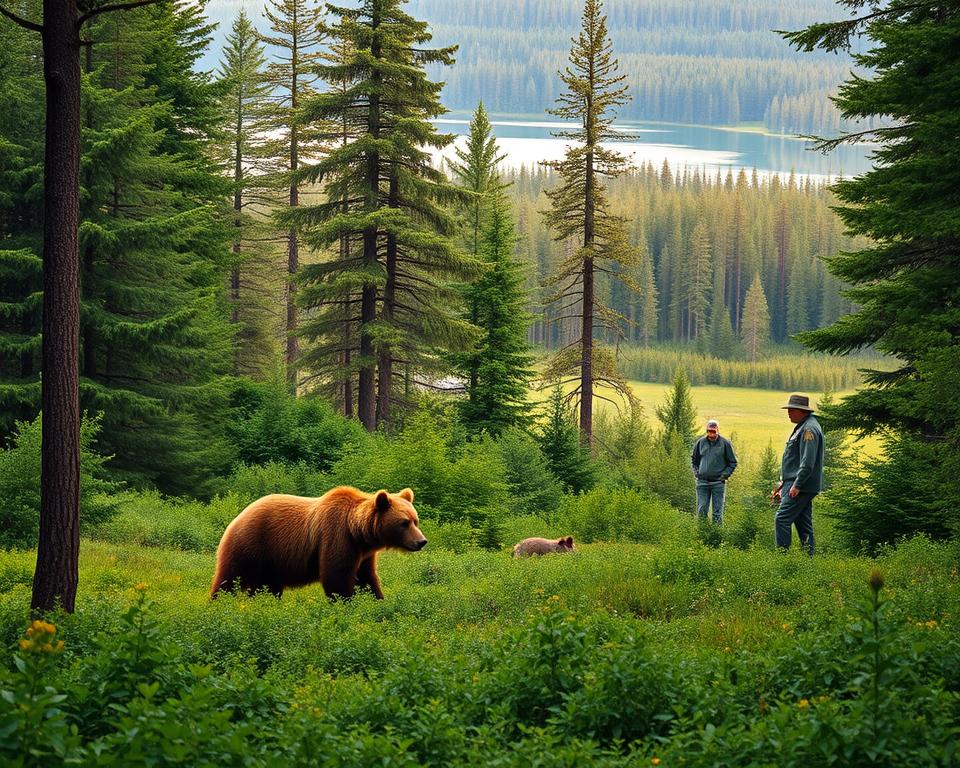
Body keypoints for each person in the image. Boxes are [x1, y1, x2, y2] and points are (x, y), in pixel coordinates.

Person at [771, 393, 824, 554]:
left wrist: (797, 485)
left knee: (781, 519)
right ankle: (808, 559)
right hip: (796, 483)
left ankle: (783, 558)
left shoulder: (809, 429)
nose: (789, 413)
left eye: (792, 410)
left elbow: (807, 462)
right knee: (803, 524)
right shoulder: (804, 425)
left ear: (802, 411)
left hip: (800, 485)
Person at [691, 418, 738, 524]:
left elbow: (732, 463)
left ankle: (716, 533)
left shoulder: (725, 443)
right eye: (709, 431)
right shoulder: (700, 443)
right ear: (706, 430)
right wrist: (697, 473)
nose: (711, 434)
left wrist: (724, 476)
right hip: (702, 482)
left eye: (713, 431)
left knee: (717, 512)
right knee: (701, 510)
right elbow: (694, 460)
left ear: (717, 430)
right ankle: (702, 532)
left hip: (718, 483)